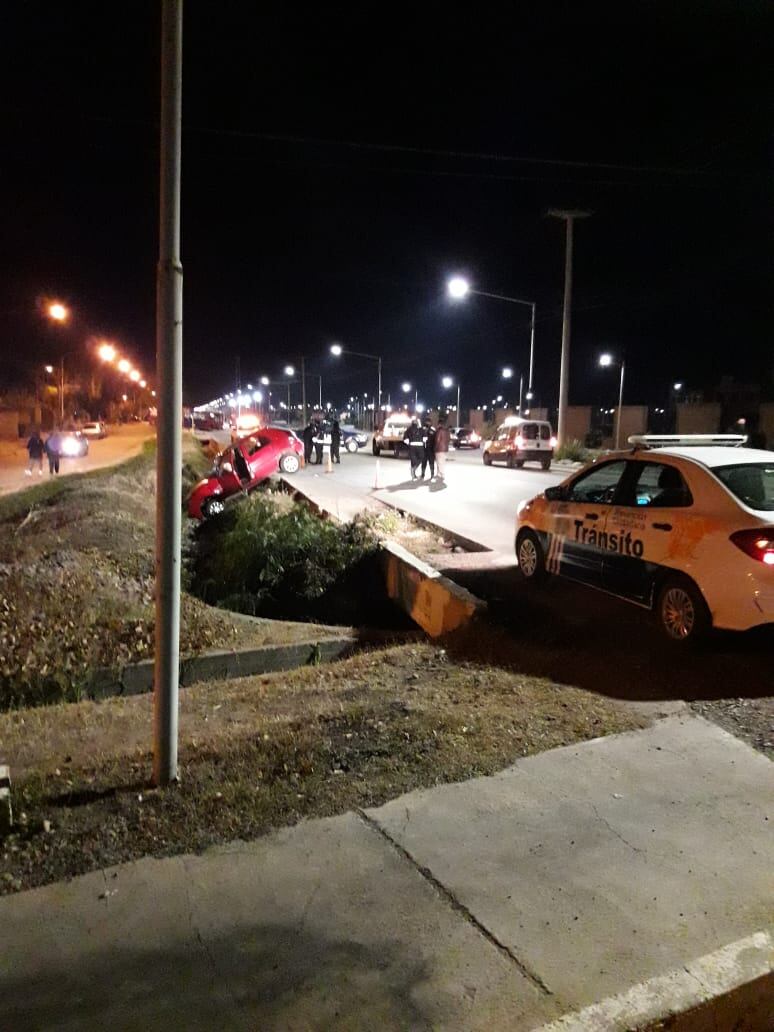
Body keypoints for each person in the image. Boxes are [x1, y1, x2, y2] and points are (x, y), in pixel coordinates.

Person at [434, 415, 450, 480]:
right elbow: (449, 439)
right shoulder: (447, 431)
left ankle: (442, 474)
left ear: (439, 424)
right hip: (445, 449)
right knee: (442, 461)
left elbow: (437, 440)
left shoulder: (439, 431)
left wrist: (435, 447)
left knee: (439, 462)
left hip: (439, 449)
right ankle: (438, 473)